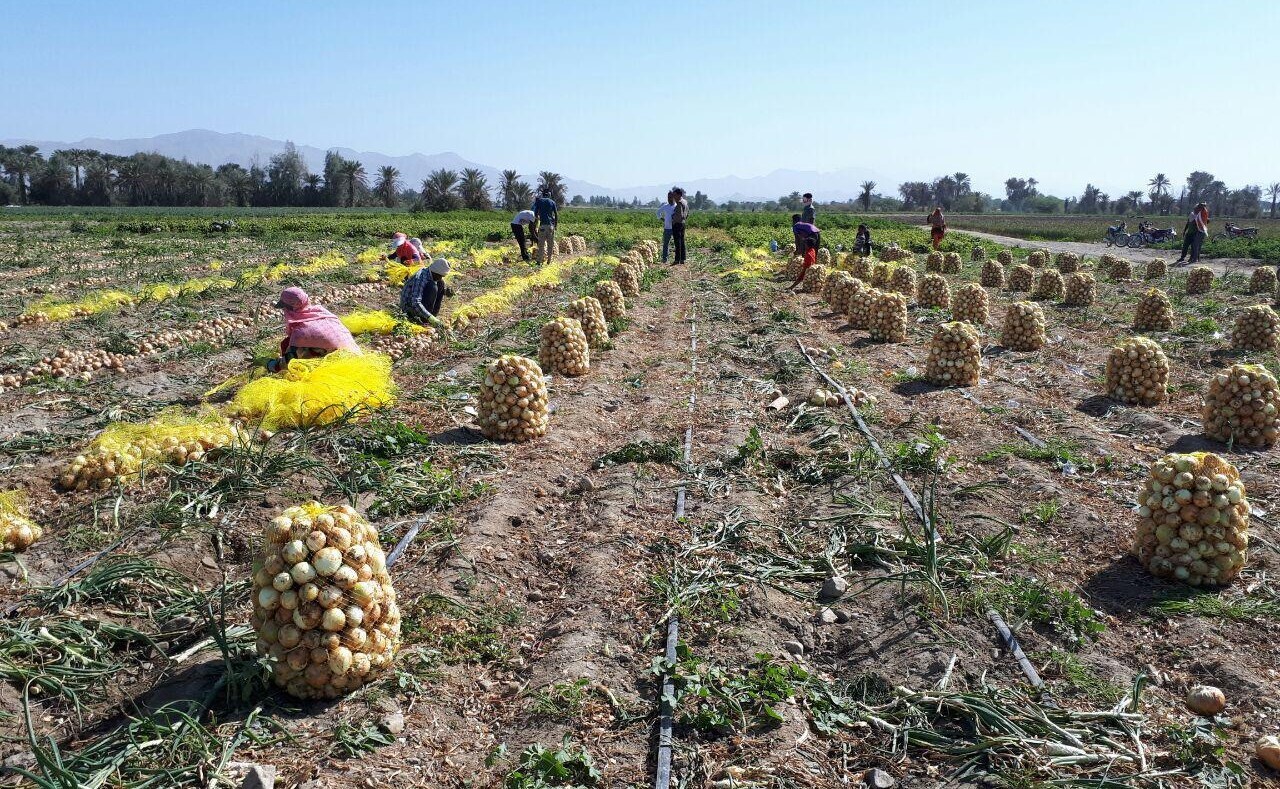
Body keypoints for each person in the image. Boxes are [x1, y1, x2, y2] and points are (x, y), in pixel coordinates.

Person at [266, 286, 360, 372]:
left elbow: (287, 363)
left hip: (340, 364)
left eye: (285, 308)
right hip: (356, 355)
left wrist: (270, 364)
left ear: (290, 308)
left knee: (288, 346)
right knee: (288, 343)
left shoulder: (301, 332)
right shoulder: (321, 312)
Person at [401, 258, 453, 327]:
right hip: (409, 308)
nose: (440, 278)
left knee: (441, 284)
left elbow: (437, 288)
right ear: (435, 272)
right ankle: (425, 318)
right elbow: (415, 302)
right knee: (433, 287)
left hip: (418, 305)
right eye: (440, 276)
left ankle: (432, 316)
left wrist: (445, 292)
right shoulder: (420, 278)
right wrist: (430, 317)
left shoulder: (431, 274)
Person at [787, 214, 821, 291]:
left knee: (808, 254)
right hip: (817, 232)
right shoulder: (802, 224)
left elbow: (798, 239)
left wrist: (798, 250)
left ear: (793, 221)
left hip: (812, 234)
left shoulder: (795, 226)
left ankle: (809, 269)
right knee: (814, 251)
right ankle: (814, 269)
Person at [533, 188, 558, 264]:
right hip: (550, 226)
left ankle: (539, 261)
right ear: (549, 195)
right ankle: (549, 260)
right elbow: (556, 214)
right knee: (550, 244)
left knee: (541, 244)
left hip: (543, 226)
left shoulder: (539, 201)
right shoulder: (552, 202)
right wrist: (555, 225)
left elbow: (535, 213)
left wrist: (535, 225)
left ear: (543, 194)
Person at [656, 191, 677, 263]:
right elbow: (658, 212)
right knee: (665, 243)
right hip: (667, 228)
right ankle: (665, 258)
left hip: (675, 228)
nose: (669, 198)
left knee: (677, 243)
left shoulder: (677, 206)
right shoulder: (665, 206)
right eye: (668, 197)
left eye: (670, 197)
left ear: (674, 197)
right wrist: (661, 219)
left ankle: (677, 259)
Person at [671, 187, 689, 264]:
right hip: (683, 223)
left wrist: (674, 218)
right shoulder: (685, 202)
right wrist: (683, 219)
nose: (673, 197)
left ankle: (677, 259)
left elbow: (679, 215)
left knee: (677, 242)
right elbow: (687, 213)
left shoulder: (679, 203)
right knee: (682, 241)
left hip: (677, 224)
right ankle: (682, 259)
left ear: (679, 195)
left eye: (675, 195)